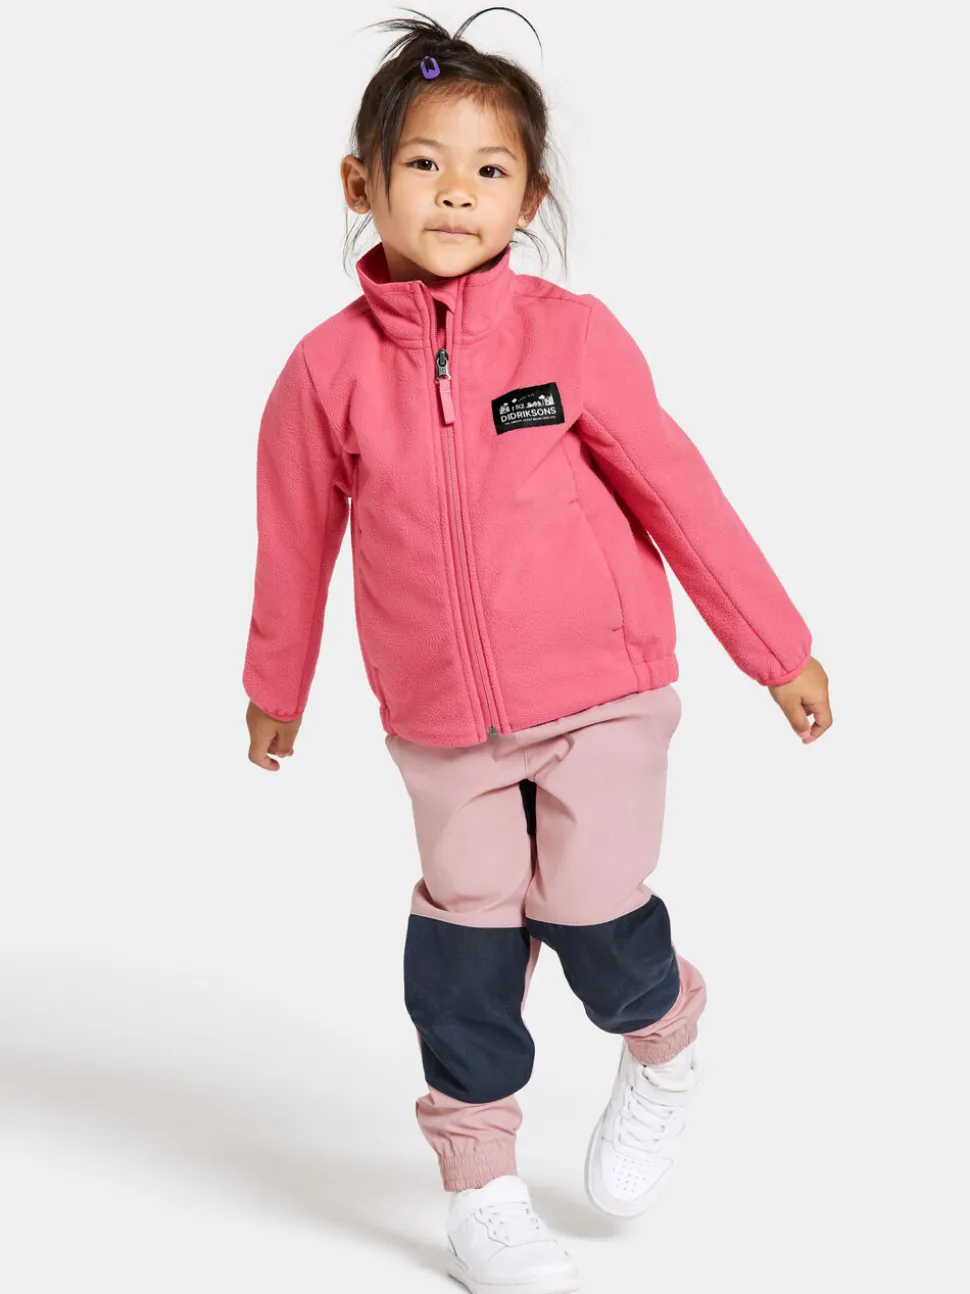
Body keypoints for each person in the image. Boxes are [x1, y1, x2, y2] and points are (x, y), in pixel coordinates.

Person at [242, 9, 833, 1293]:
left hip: (602, 697)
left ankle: (662, 1037)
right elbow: (293, 539)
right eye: (422, 163)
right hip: (442, 724)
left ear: (532, 195)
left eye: (489, 168)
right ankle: (482, 1188)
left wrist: (773, 646)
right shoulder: (324, 374)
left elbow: (680, 493)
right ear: (359, 184)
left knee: (591, 915)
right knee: (461, 943)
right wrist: (274, 685)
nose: (455, 191)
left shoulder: (571, 339)